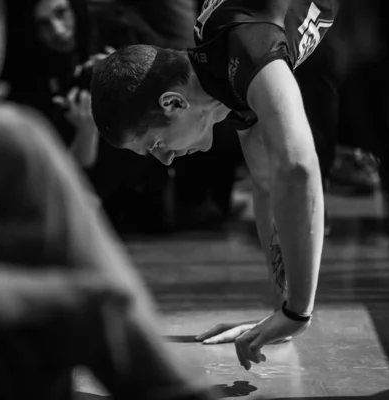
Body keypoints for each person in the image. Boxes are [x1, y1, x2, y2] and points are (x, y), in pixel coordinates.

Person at [91, 0, 340, 370]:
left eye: (156, 145)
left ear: (173, 103)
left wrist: (298, 312)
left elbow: (299, 167)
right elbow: (268, 184)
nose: (166, 159)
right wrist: (281, 316)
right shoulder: (226, 78)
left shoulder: (246, 47)